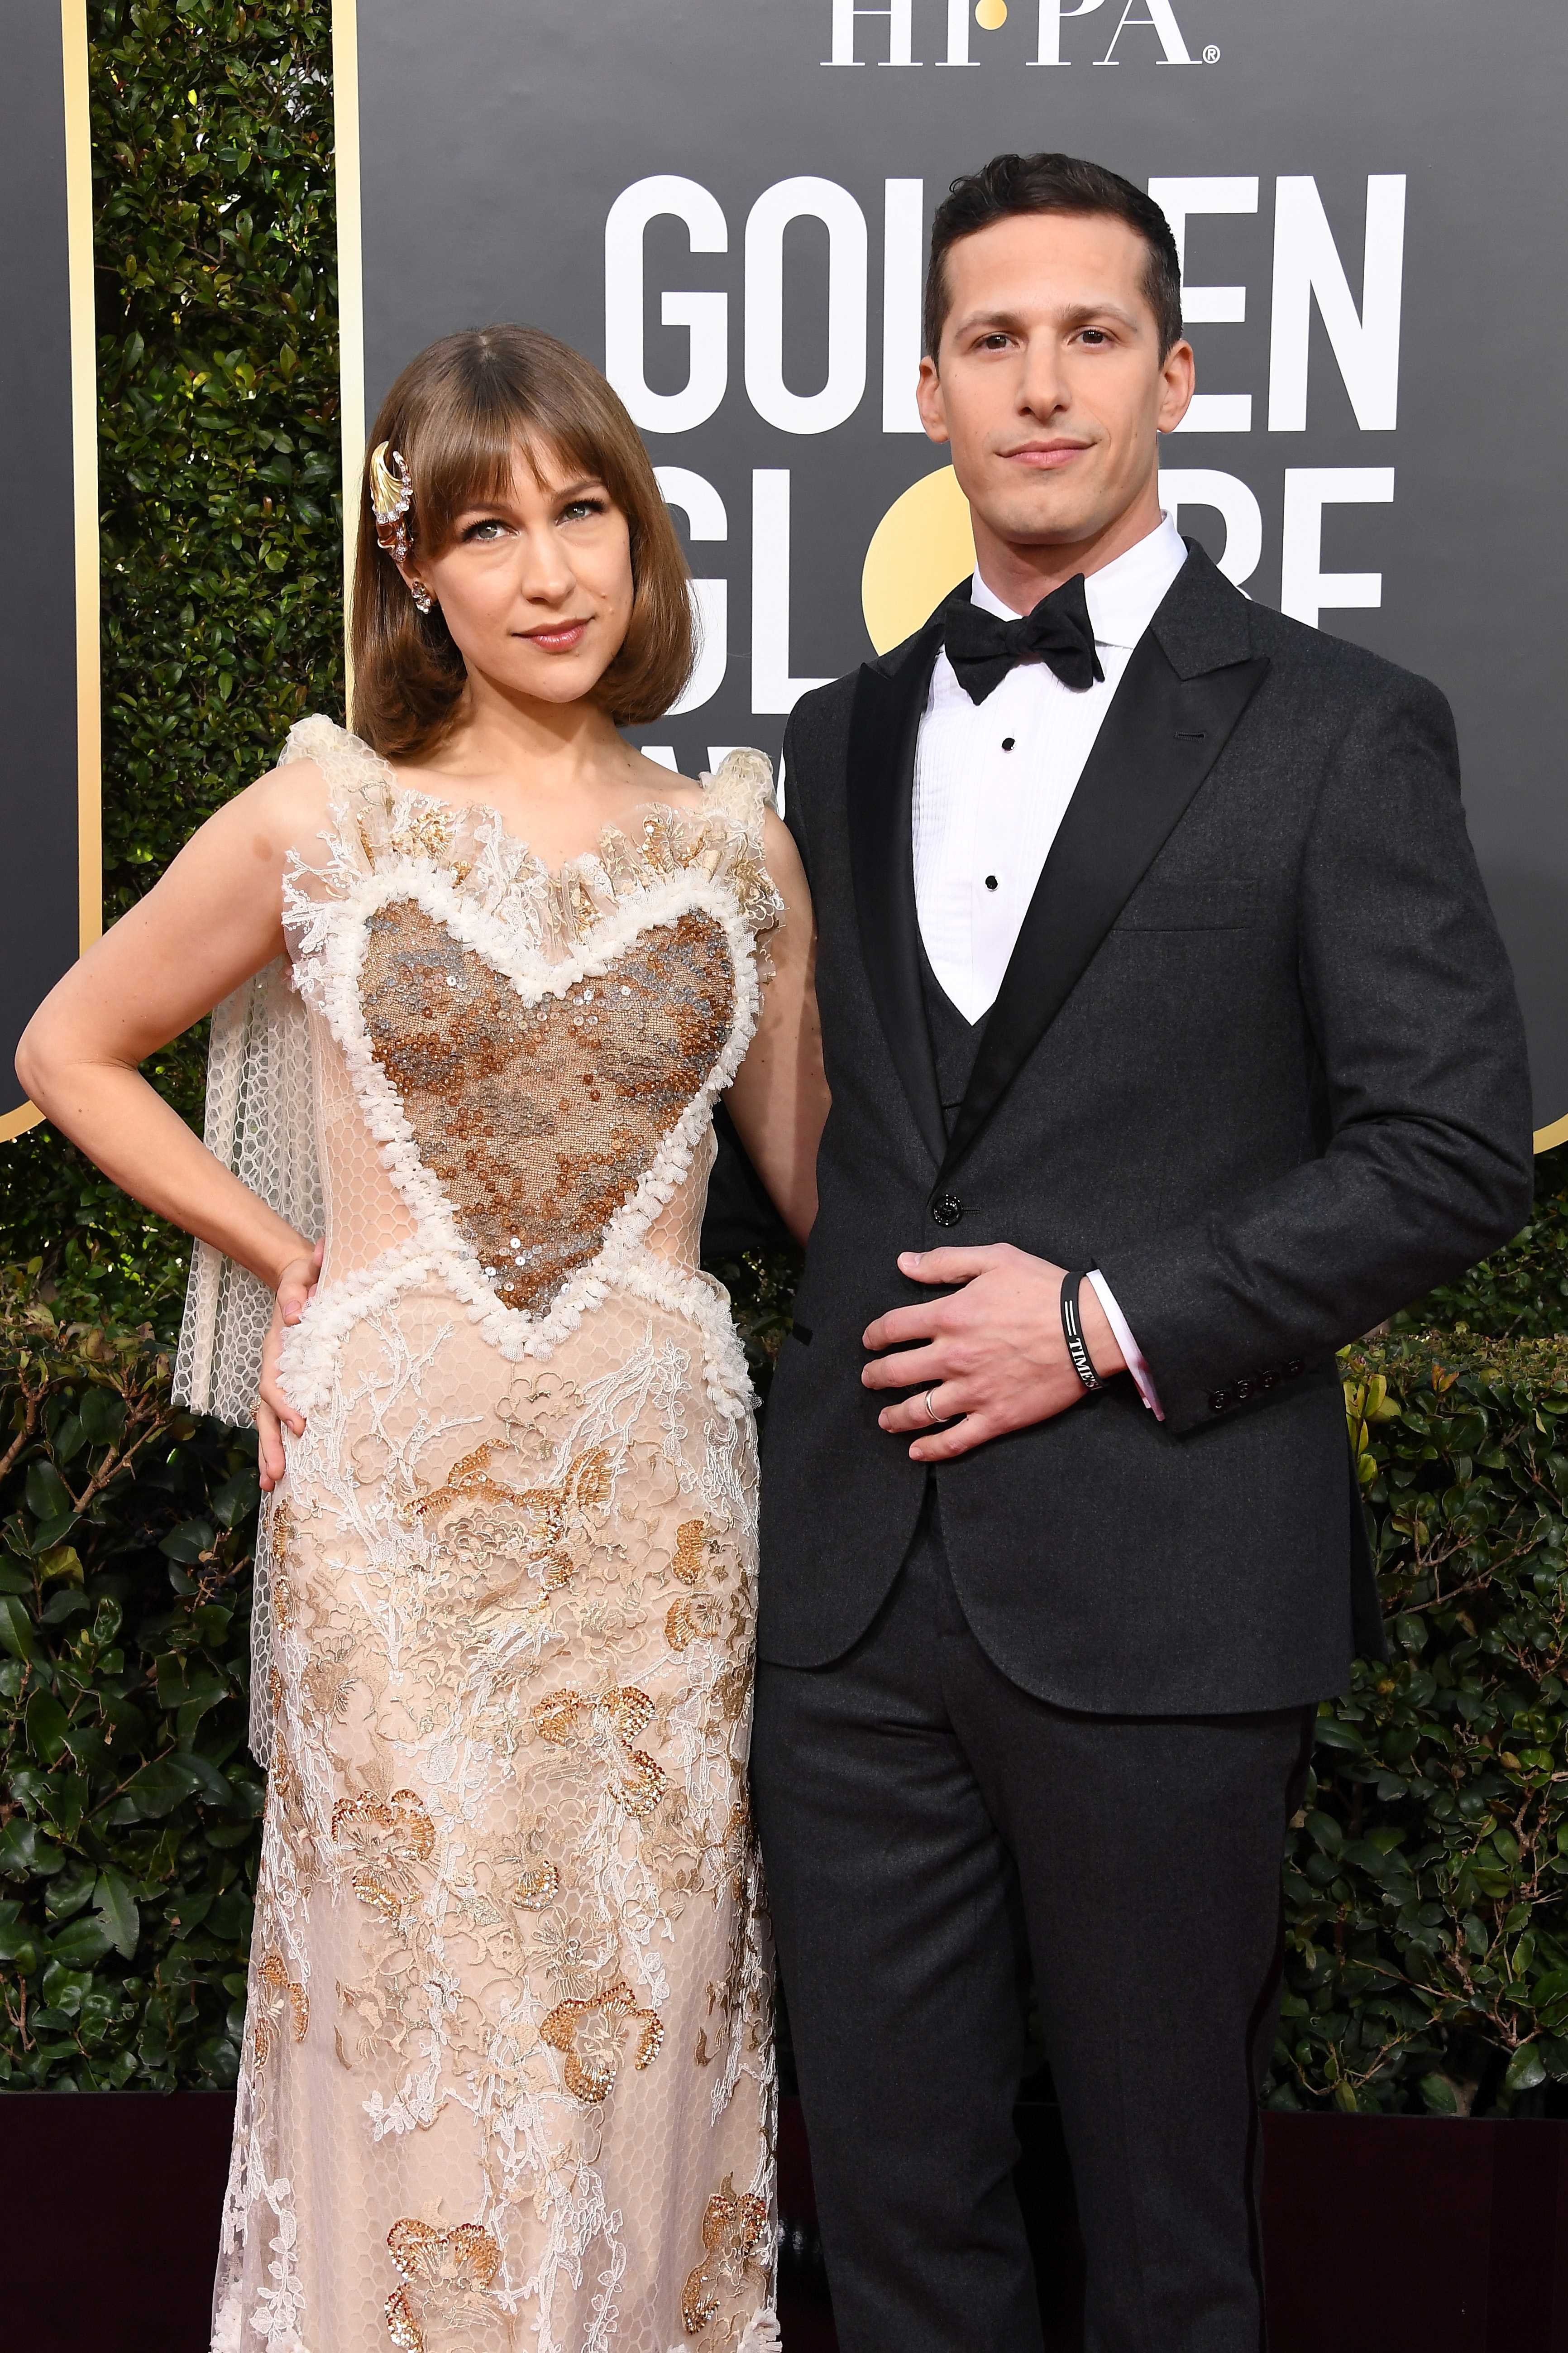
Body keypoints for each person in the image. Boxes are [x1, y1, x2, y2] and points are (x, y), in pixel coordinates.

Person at [750, 151, 1535, 2353]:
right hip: (844, 1602)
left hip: (1167, 1585)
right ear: (925, 389)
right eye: (990, 339)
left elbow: (1448, 1148)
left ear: (1172, 375)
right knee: (892, 2240)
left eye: (1089, 335)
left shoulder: (1338, 727)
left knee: (1169, 2252)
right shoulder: (833, 737)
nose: (1040, 384)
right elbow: (836, 1141)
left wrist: (1099, 1322)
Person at [18, 323, 825, 2353]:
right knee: (409, 1991)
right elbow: (70, 1046)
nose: (549, 572)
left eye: (584, 514)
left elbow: (822, 1179)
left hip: (656, 1529)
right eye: (487, 530)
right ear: (412, 567)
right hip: (389, 1519)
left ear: (639, 540)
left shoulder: (738, 844)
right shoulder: (322, 820)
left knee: (638, 1992)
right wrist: (289, 1263)